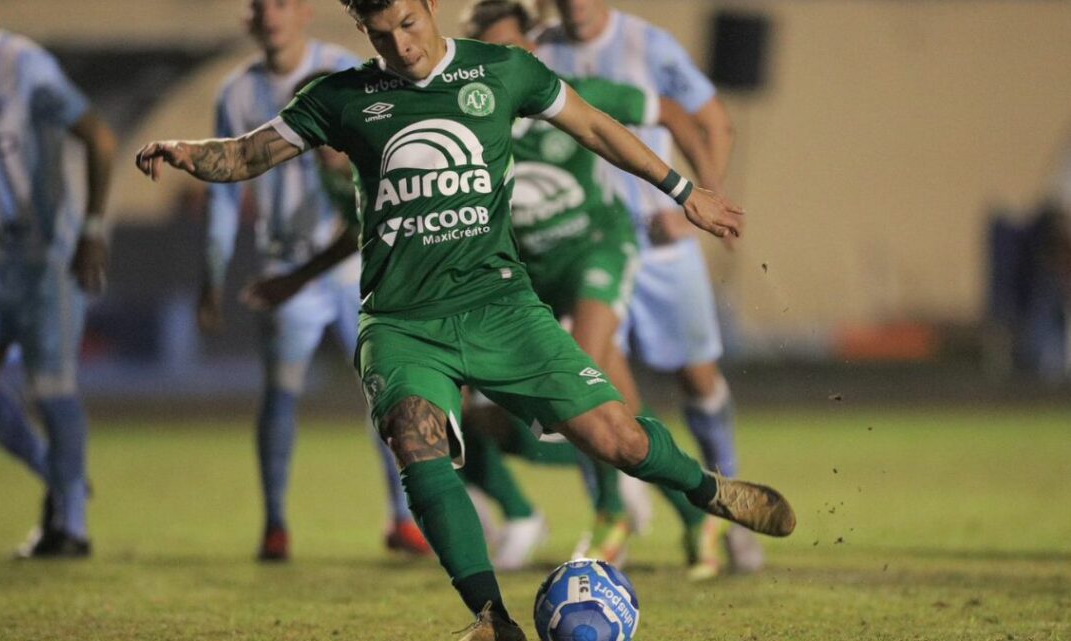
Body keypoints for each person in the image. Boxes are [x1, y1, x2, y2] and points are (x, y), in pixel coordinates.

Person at [135, 1, 795, 638]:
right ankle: (491, 617)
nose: (402, 44)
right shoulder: (341, 98)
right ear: (362, 31)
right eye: (381, 33)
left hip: (501, 308)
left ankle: (708, 490)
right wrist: (186, 151)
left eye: (409, 23)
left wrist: (685, 192)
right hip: (401, 322)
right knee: (413, 436)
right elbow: (248, 154)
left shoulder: (501, 71)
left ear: (432, 5)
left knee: (617, 436)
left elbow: (595, 126)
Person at [457, 0, 722, 570]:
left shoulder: (564, 93)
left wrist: (701, 192)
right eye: (492, 51)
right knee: (616, 408)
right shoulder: (468, 118)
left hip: (597, 252)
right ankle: (699, 517)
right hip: (533, 277)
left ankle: (611, 512)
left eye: (515, 47)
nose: (506, 60)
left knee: (587, 373)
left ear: (533, 46)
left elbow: (672, 112)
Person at [537, 0, 760, 579]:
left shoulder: (648, 45)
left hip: (662, 247)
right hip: (592, 247)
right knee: (597, 379)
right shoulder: (539, 48)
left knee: (698, 378)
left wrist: (700, 206)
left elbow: (714, 121)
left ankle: (728, 499)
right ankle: (614, 513)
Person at [201, 0, 427, 562]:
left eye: (282, 3)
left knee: (389, 392)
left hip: (359, 267)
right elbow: (226, 192)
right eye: (260, 6)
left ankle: (404, 519)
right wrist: (212, 269)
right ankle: (275, 523)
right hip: (285, 262)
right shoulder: (235, 93)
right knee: (281, 393)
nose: (270, 15)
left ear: (303, 11)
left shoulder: (349, 72)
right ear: (246, 18)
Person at [0, 0, 116, 557]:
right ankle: (61, 479)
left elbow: (101, 141)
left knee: (52, 390)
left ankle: (73, 528)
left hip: (46, 261)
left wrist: (92, 229)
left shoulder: (26, 69)